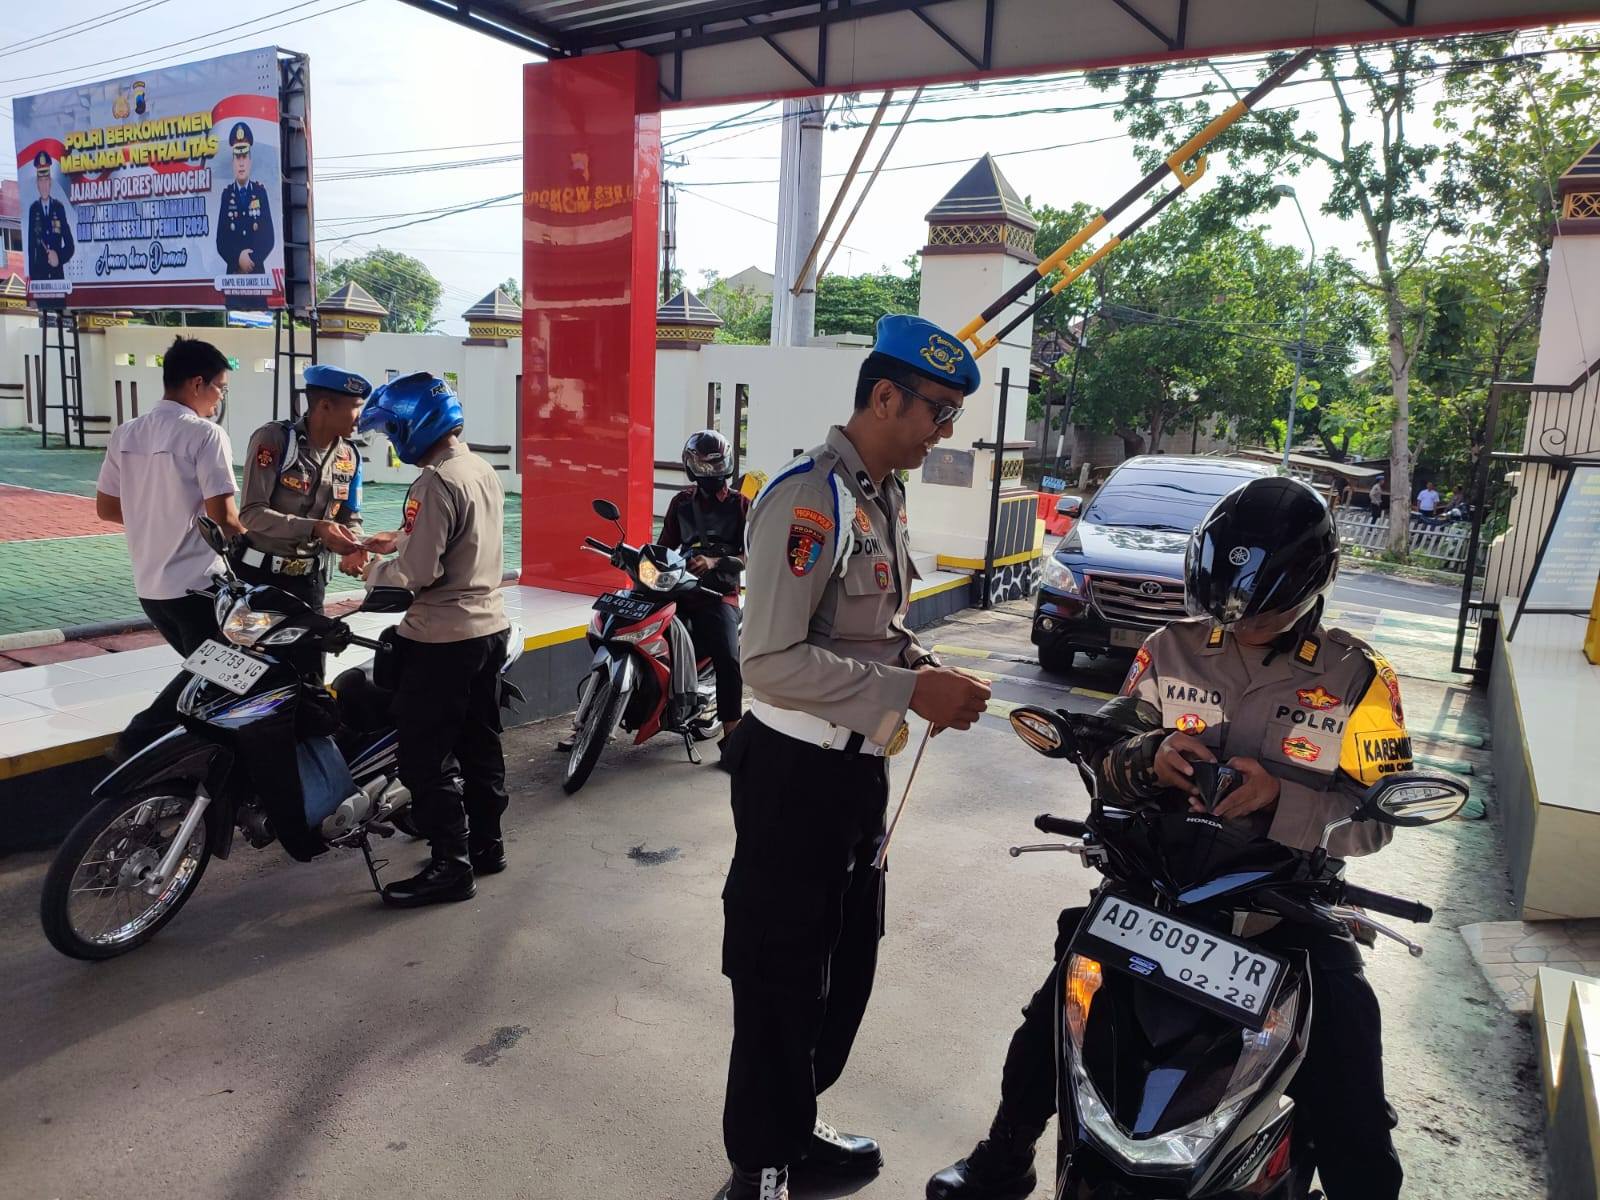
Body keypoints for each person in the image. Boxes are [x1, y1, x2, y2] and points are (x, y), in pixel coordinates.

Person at [927, 475, 1413, 1200]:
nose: (1239, 628)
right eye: (1226, 610)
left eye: (1261, 613)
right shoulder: (1170, 649)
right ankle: (1004, 1156)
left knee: (1349, 1062)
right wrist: (1147, 759)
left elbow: (1377, 819)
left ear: (1313, 587)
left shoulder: (1359, 679)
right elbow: (1107, 755)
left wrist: (1282, 799)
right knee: (1054, 1018)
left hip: (1281, 907)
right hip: (1155, 890)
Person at [716, 314, 994, 1200]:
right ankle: (761, 1163)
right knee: (779, 973)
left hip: (853, 774)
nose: (944, 431)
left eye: (951, 415)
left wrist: (920, 667)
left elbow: (866, 630)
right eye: (938, 412)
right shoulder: (811, 499)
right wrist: (911, 691)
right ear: (884, 398)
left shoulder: (880, 495)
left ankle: (795, 1124)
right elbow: (768, 660)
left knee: (841, 965)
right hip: (792, 778)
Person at [357, 372, 511, 908]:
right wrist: (397, 539)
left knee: (423, 757)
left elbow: (419, 571)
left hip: (443, 638)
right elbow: (457, 539)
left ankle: (452, 868)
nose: (392, 440)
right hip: (489, 628)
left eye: (392, 429)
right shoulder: (479, 468)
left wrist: (369, 568)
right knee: (479, 745)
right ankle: (487, 846)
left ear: (413, 425)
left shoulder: (433, 482)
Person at [95, 337, 244, 758]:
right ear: (197, 383)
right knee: (223, 669)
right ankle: (138, 740)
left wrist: (156, 520)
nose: (220, 398)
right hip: (199, 585)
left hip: (151, 589)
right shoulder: (205, 434)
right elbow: (225, 517)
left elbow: (107, 508)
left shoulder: (127, 432)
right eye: (220, 388)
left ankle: (195, 755)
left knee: (210, 673)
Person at [235, 364, 371, 681]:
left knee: (309, 678)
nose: (360, 417)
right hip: (260, 582)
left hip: (310, 585)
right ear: (325, 406)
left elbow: (350, 517)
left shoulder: (349, 456)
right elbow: (251, 513)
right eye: (355, 407)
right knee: (248, 673)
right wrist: (315, 528)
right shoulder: (275, 440)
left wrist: (355, 544)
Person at [659, 429, 750, 756]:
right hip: (681, 588)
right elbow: (663, 548)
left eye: (718, 464)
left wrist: (714, 561)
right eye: (705, 465)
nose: (713, 471)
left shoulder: (741, 505)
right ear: (692, 466)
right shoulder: (681, 503)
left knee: (728, 657)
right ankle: (587, 722)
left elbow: (750, 554)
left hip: (719, 593)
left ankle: (732, 735)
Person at [216, 122, 275, 276]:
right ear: (232, 163)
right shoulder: (227, 195)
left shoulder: (260, 193)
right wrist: (238, 258)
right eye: (237, 158)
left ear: (250, 161)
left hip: (257, 277)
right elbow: (221, 241)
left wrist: (250, 261)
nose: (241, 163)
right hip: (233, 276)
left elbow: (269, 237)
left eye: (244, 157)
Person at [27, 150, 74, 282]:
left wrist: (58, 258)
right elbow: (31, 249)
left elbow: (70, 246)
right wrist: (33, 286)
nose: (44, 185)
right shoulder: (33, 210)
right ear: (37, 184)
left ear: (50, 182)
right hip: (40, 280)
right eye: (41, 181)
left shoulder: (59, 208)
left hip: (57, 278)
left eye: (46, 180)